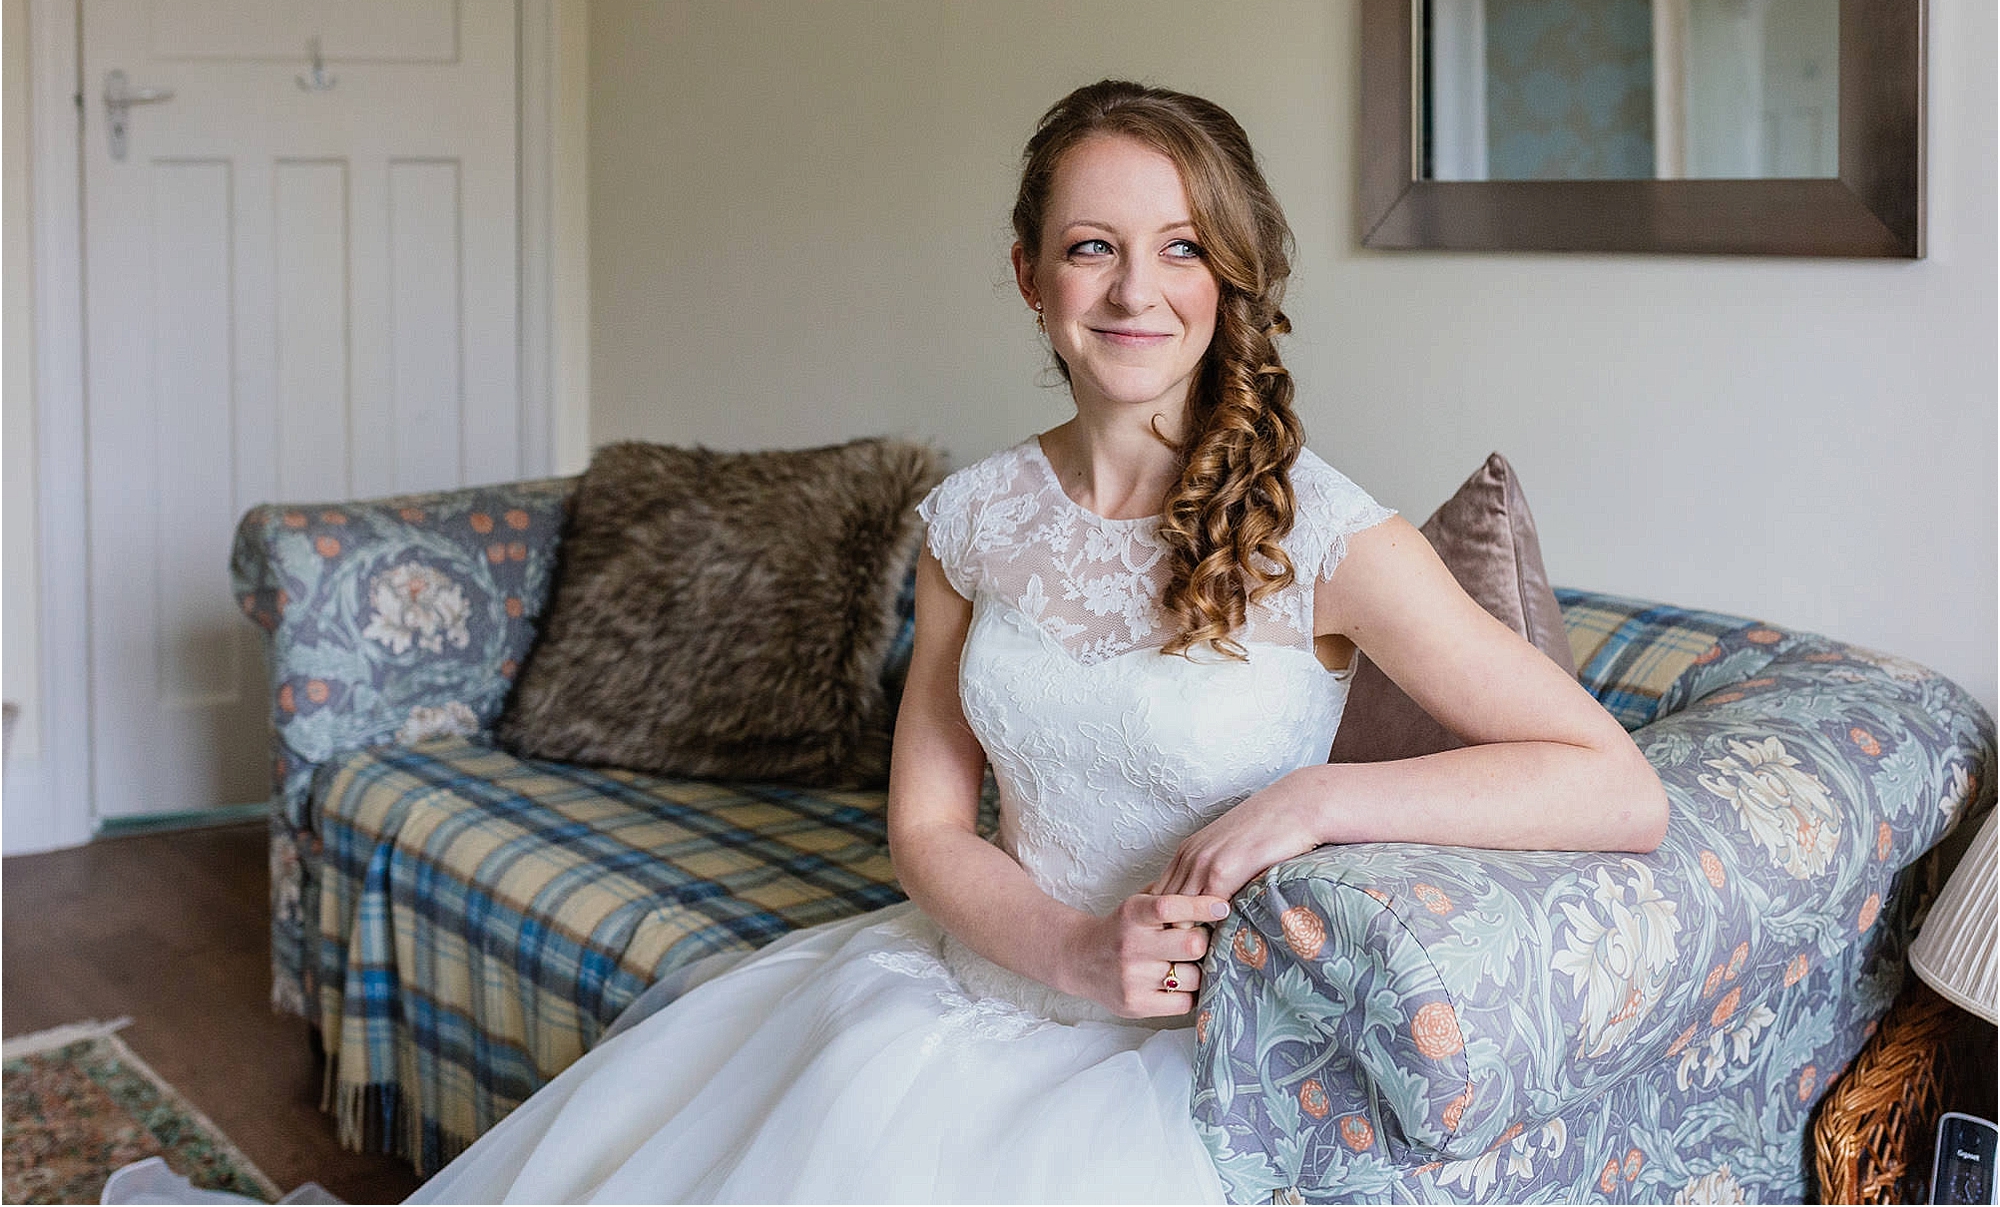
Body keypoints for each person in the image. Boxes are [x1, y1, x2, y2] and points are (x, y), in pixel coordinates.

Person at [400, 79, 1666, 1203]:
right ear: (1029, 276)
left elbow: (1614, 784)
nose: (1133, 290)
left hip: (1171, 1068)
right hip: (958, 994)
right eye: (1089, 248)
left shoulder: (1330, 538)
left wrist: (1317, 797)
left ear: (1227, 279)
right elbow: (928, 826)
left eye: (1178, 248)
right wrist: (1067, 947)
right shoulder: (971, 520)